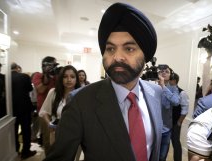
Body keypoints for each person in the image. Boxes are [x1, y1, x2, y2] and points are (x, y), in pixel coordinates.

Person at [44, 2, 162, 161]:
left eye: (129, 49)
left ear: (145, 56)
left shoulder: (155, 92)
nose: (117, 57)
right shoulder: (80, 101)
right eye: (111, 49)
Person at [39, 65, 80, 146]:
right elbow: (44, 112)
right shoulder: (54, 92)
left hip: (75, 135)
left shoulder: (81, 94)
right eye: (65, 77)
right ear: (61, 78)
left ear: (76, 79)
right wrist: (49, 124)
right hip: (56, 133)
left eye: (72, 77)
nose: (69, 80)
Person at [32, 56, 58, 154]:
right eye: (51, 66)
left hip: (57, 110)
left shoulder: (56, 76)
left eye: (55, 65)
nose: (53, 68)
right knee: (47, 138)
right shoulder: (38, 76)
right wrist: (47, 75)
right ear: (44, 66)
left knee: (57, 137)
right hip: (44, 112)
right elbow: (41, 89)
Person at [11, 63, 37, 159]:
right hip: (25, 107)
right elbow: (30, 89)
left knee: (14, 130)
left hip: (11, 109)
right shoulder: (24, 76)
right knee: (26, 130)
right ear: (17, 68)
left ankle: (15, 150)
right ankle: (25, 151)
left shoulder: (6, 77)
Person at [157, 66, 180, 161]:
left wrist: (163, 86)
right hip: (154, 128)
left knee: (162, 156)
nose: (164, 73)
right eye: (161, 71)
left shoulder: (174, 89)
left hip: (166, 129)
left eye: (167, 71)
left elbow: (176, 102)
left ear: (171, 75)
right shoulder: (152, 87)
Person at [169, 72, 189, 161]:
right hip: (166, 122)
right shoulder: (166, 91)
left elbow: (185, 109)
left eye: (170, 80)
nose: (169, 81)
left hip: (175, 123)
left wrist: (179, 122)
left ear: (175, 81)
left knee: (176, 143)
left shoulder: (182, 93)